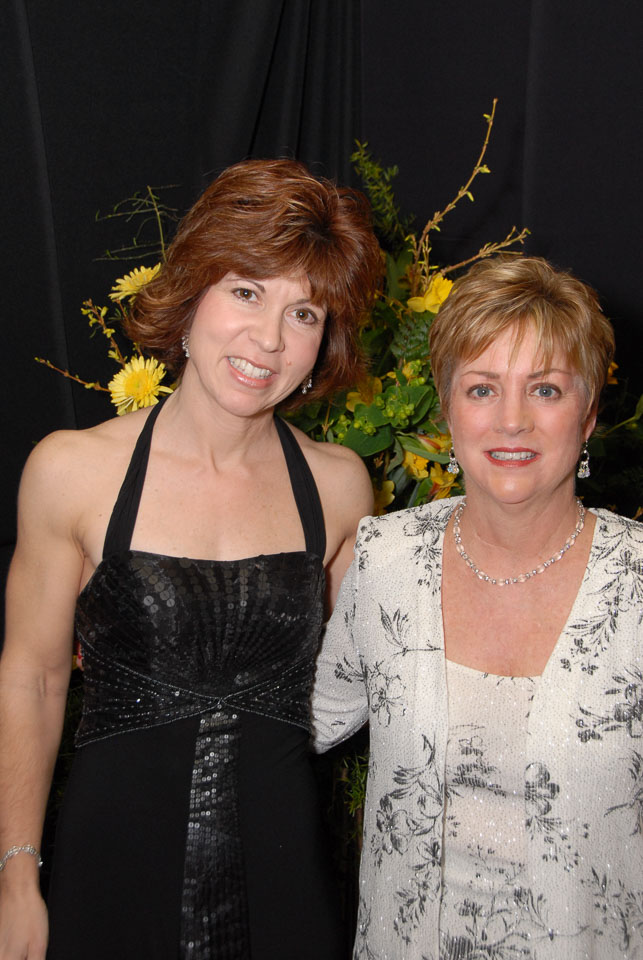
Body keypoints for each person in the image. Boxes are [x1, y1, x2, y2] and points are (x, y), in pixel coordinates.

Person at [0, 158, 382, 960]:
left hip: (286, 880)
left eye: (303, 313)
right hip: (110, 873)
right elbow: (33, 677)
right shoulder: (71, 471)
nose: (268, 339)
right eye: (246, 292)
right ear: (191, 291)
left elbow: (370, 688)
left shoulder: (340, 487)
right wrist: (16, 880)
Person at [312, 256, 643, 960]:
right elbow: (294, 722)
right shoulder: (386, 561)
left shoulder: (638, 584)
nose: (512, 420)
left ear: (588, 415)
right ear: (447, 409)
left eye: (545, 389)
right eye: (482, 388)